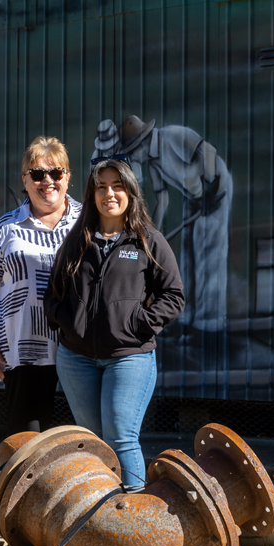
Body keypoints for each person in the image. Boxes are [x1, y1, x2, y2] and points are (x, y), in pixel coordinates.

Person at [44, 157, 184, 488]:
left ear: (130, 192)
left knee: (121, 435)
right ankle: (101, 518)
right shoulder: (76, 241)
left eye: (117, 186)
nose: (110, 193)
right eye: (102, 186)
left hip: (129, 357)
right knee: (93, 443)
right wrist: (68, 325)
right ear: (93, 195)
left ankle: (135, 513)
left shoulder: (147, 242)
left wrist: (137, 325)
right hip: (76, 359)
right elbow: (53, 295)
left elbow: (173, 296)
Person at [0, 136, 81, 434]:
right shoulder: (7, 228)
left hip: (82, 348)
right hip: (25, 349)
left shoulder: (88, 223)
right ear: (25, 180)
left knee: (84, 437)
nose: (48, 181)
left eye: (56, 173)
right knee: (28, 440)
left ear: (67, 177)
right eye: (38, 174)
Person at [117, 116, 231, 336]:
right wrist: (153, 236)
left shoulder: (174, 136)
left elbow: (207, 152)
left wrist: (211, 185)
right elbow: (163, 201)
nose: (133, 157)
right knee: (188, 253)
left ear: (143, 142)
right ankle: (187, 315)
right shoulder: (155, 164)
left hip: (216, 186)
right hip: (195, 196)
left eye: (132, 151)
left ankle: (210, 322)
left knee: (209, 251)